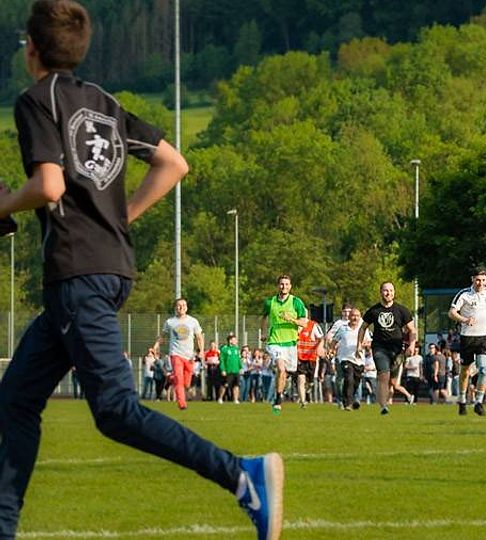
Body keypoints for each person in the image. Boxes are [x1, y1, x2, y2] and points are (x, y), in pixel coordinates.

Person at [0, 3, 282, 538]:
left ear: (30, 48)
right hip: (104, 272)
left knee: (116, 410)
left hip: (78, 274)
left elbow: (49, 186)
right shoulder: (103, 102)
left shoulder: (37, 100)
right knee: (16, 399)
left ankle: (241, 475)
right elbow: (174, 163)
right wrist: (119, 219)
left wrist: (5, 203)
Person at [356, 282, 418, 415]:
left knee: (393, 382)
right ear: (381, 292)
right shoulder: (374, 311)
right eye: (385, 290)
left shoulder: (402, 310)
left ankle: (388, 400)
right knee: (383, 375)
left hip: (397, 350)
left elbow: (412, 329)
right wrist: (359, 345)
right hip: (380, 348)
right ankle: (383, 406)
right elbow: (363, 328)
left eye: (391, 290)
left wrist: (412, 345)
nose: (388, 293)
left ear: (394, 293)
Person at [448, 266, 486, 416]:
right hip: (468, 338)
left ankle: (478, 402)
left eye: (483, 280)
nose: (480, 283)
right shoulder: (464, 294)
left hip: (485, 337)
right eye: (478, 280)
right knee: (465, 371)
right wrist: (464, 319)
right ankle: (462, 399)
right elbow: (451, 312)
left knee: (484, 369)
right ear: (472, 279)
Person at [260, 274, 308, 414]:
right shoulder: (270, 302)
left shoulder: (296, 302)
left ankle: (280, 392)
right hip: (275, 341)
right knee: (281, 369)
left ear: (290, 286)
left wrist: (291, 319)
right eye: (281, 284)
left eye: (286, 284)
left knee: (287, 372)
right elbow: (264, 318)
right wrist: (263, 333)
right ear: (278, 285)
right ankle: (278, 400)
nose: (284, 286)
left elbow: (304, 323)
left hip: (290, 343)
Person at [153, 298, 203, 411]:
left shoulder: (193, 321)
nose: (181, 307)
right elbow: (162, 336)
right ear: (175, 308)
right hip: (175, 354)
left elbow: (199, 337)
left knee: (186, 383)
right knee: (179, 379)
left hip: (189, 356)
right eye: (179, 305)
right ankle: (182, 403)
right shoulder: (170, 322)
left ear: (187, 307)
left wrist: (201, 351)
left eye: (184, 305)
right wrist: (156, 346)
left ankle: (171, 378)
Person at [332, 308, 370, 410]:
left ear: (360, 317)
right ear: (349, 317)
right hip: (345, 358)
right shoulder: (343, 328)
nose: (355, 318)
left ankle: (350, 399)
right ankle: (347, 403)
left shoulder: (363, 329)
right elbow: (334, 340)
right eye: (353, 315)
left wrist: (364, 344)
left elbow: (369, 342)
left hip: (359, 360)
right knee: (348, 379)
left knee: (356, 382)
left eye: (357, 316)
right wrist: (331, 350)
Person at [295, 318, 324, 408]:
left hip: (311, 358)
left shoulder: (313, 325)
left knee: (310, 383)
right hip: (299, 357)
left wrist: (320, 347)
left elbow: (321, 338)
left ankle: (307, 391)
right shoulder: (294, 325)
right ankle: (303, 402)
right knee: (301, 379)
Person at [219, 334, 242, 404]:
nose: (236, 341)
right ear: (230, 341)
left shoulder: (236, 349)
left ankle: (235, 399)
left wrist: (240, 367)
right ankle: (220, 398)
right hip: (228, 370)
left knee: (236, 385)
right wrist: (223, 369)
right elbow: (222, 360)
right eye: (234, 340)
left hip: (236, 370)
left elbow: (238, 359)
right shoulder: (224, 349)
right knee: (225, 385)